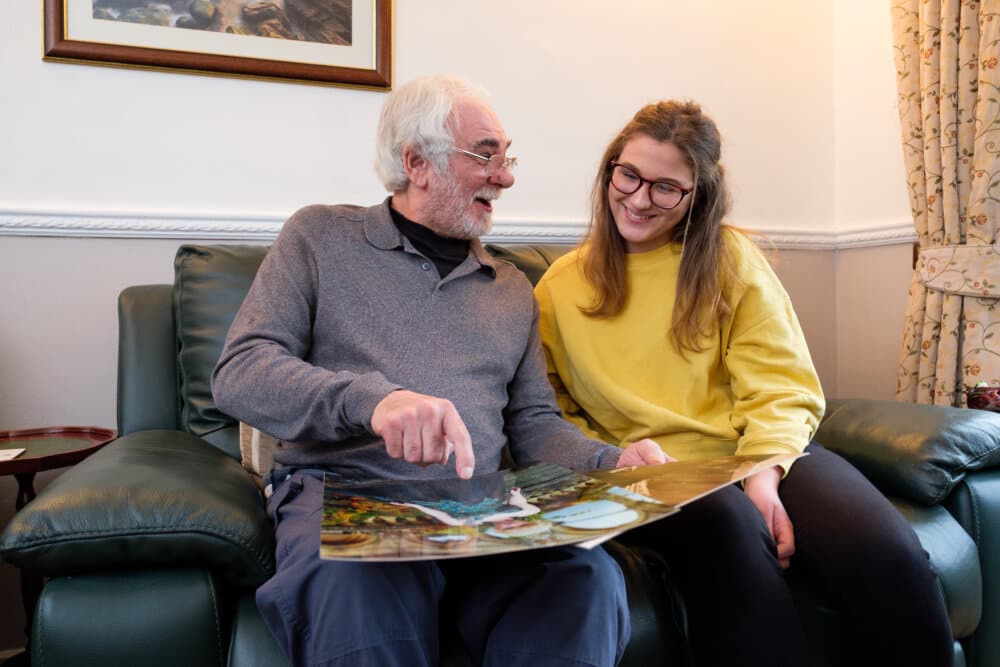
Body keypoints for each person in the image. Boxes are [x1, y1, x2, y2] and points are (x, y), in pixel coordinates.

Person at [211, 74, 665, 667]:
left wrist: (612, 462)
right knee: (352, 593)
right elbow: (241, 371)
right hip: (350, 500)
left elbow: (534, 424)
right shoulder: (319, 238)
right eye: (485, 156)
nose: (505, 178)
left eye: (506, 159)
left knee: (587, 581)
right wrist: (373, 402)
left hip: (483, 514)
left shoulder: (510, 288)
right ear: (416, 162)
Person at [534, 100, 954, 666]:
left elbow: (779, 384)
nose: (638, 198)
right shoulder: (558, 288)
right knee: (731, 533)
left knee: (886, 555)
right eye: (628, 175)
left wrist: (763, 476)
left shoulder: (730, 259)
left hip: (760, 450)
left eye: (666, 187)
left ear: (698, 195)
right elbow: (549, 413)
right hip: (653, 474)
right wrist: (612, 459)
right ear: (611, 168)